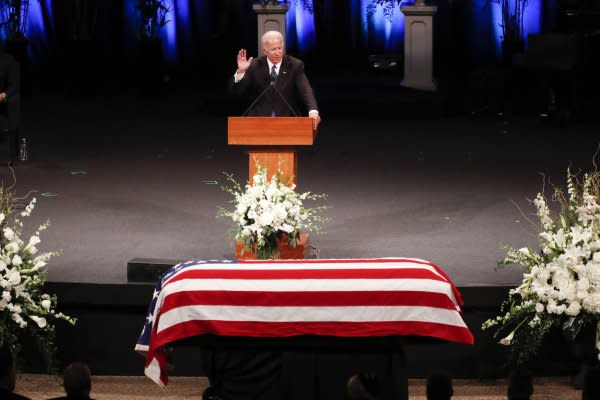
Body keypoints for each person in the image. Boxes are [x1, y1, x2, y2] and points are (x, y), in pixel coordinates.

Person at [231, 30, 321, 130]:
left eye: (280, 48)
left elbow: (305, 90)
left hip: (287, 122)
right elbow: (237, 92)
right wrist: (241, 72)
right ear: (265, 51)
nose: (278, 52)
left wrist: (313, 111)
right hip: (258, 123)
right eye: (273, 49)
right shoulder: (255, 65)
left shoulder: (295, 65)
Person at [0, 51, 20, 163]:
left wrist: (3, 95)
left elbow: (14, 85)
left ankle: (9, 154)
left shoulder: (8, 60)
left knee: (12, 100)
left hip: (3, 96)